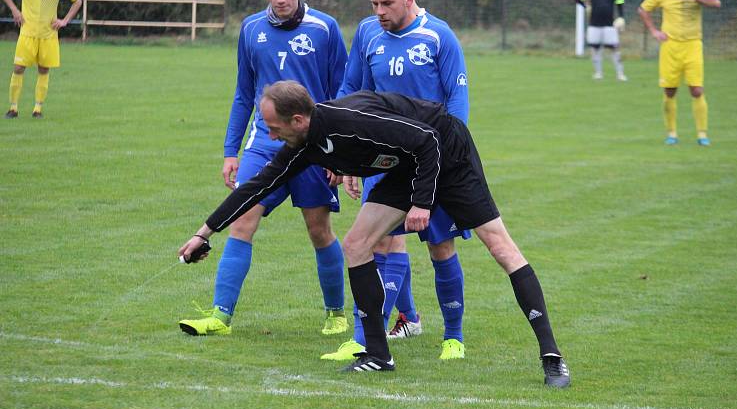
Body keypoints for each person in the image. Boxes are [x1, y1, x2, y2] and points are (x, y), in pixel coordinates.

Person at [179, 81, 571, 388]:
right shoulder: (306, 145)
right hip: (409, 164)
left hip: (446, 153)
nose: (271, 135)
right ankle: (379, 355)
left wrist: (422, 202)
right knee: (356, 245)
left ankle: (552, 356)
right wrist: (204, 232)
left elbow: (427, 139)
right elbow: (256, 187)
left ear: (299, 120)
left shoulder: (349, 121)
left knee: (499, 246)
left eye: (274, 127)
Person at [178, 0, 349, 337]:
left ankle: (336, 313)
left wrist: (338, 153)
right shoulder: (250, 29)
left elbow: (343, 94)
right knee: (242, 220)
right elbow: (243, 94)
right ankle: (220, 317)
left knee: (318, 230)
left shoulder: (325, 28)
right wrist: (230, 151)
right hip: (263, 144)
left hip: (313, 147)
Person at [324, 0, 471, 362]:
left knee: (439, 247)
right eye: (374, 3)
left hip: (433, 161)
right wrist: (348, 158)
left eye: (387, 3)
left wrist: (447, 160)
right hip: (385, 160)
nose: (379, 12)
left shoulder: (439, 37)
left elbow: (457, 107)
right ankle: (364, 337)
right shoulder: (369, 34)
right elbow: (352, 94)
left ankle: (453, 337)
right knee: (372, 242)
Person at [638, 0, 721, 146]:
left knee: (697, 89)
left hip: (693, 45)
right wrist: (654, 31)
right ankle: (672, 133)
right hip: (671, 46)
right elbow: (643, 10)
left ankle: (702, 134)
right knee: (669, 91)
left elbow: (716, 3)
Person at [1, 0, 81, 119]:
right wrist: (15, 11)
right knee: (18, 67)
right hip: (27, 32)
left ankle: (37, 109)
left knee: (44, 70)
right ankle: (13, 108)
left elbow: (77, 0)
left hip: (48, 33)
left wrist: (64, 21)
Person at [575, 0, 627, 81]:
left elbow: (620, 2)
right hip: (594, 25)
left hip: (609, 25)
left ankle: (620, 74)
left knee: (614, 48)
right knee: (595, 49)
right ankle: (598, 73)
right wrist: (585, 6)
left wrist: (621, 17)